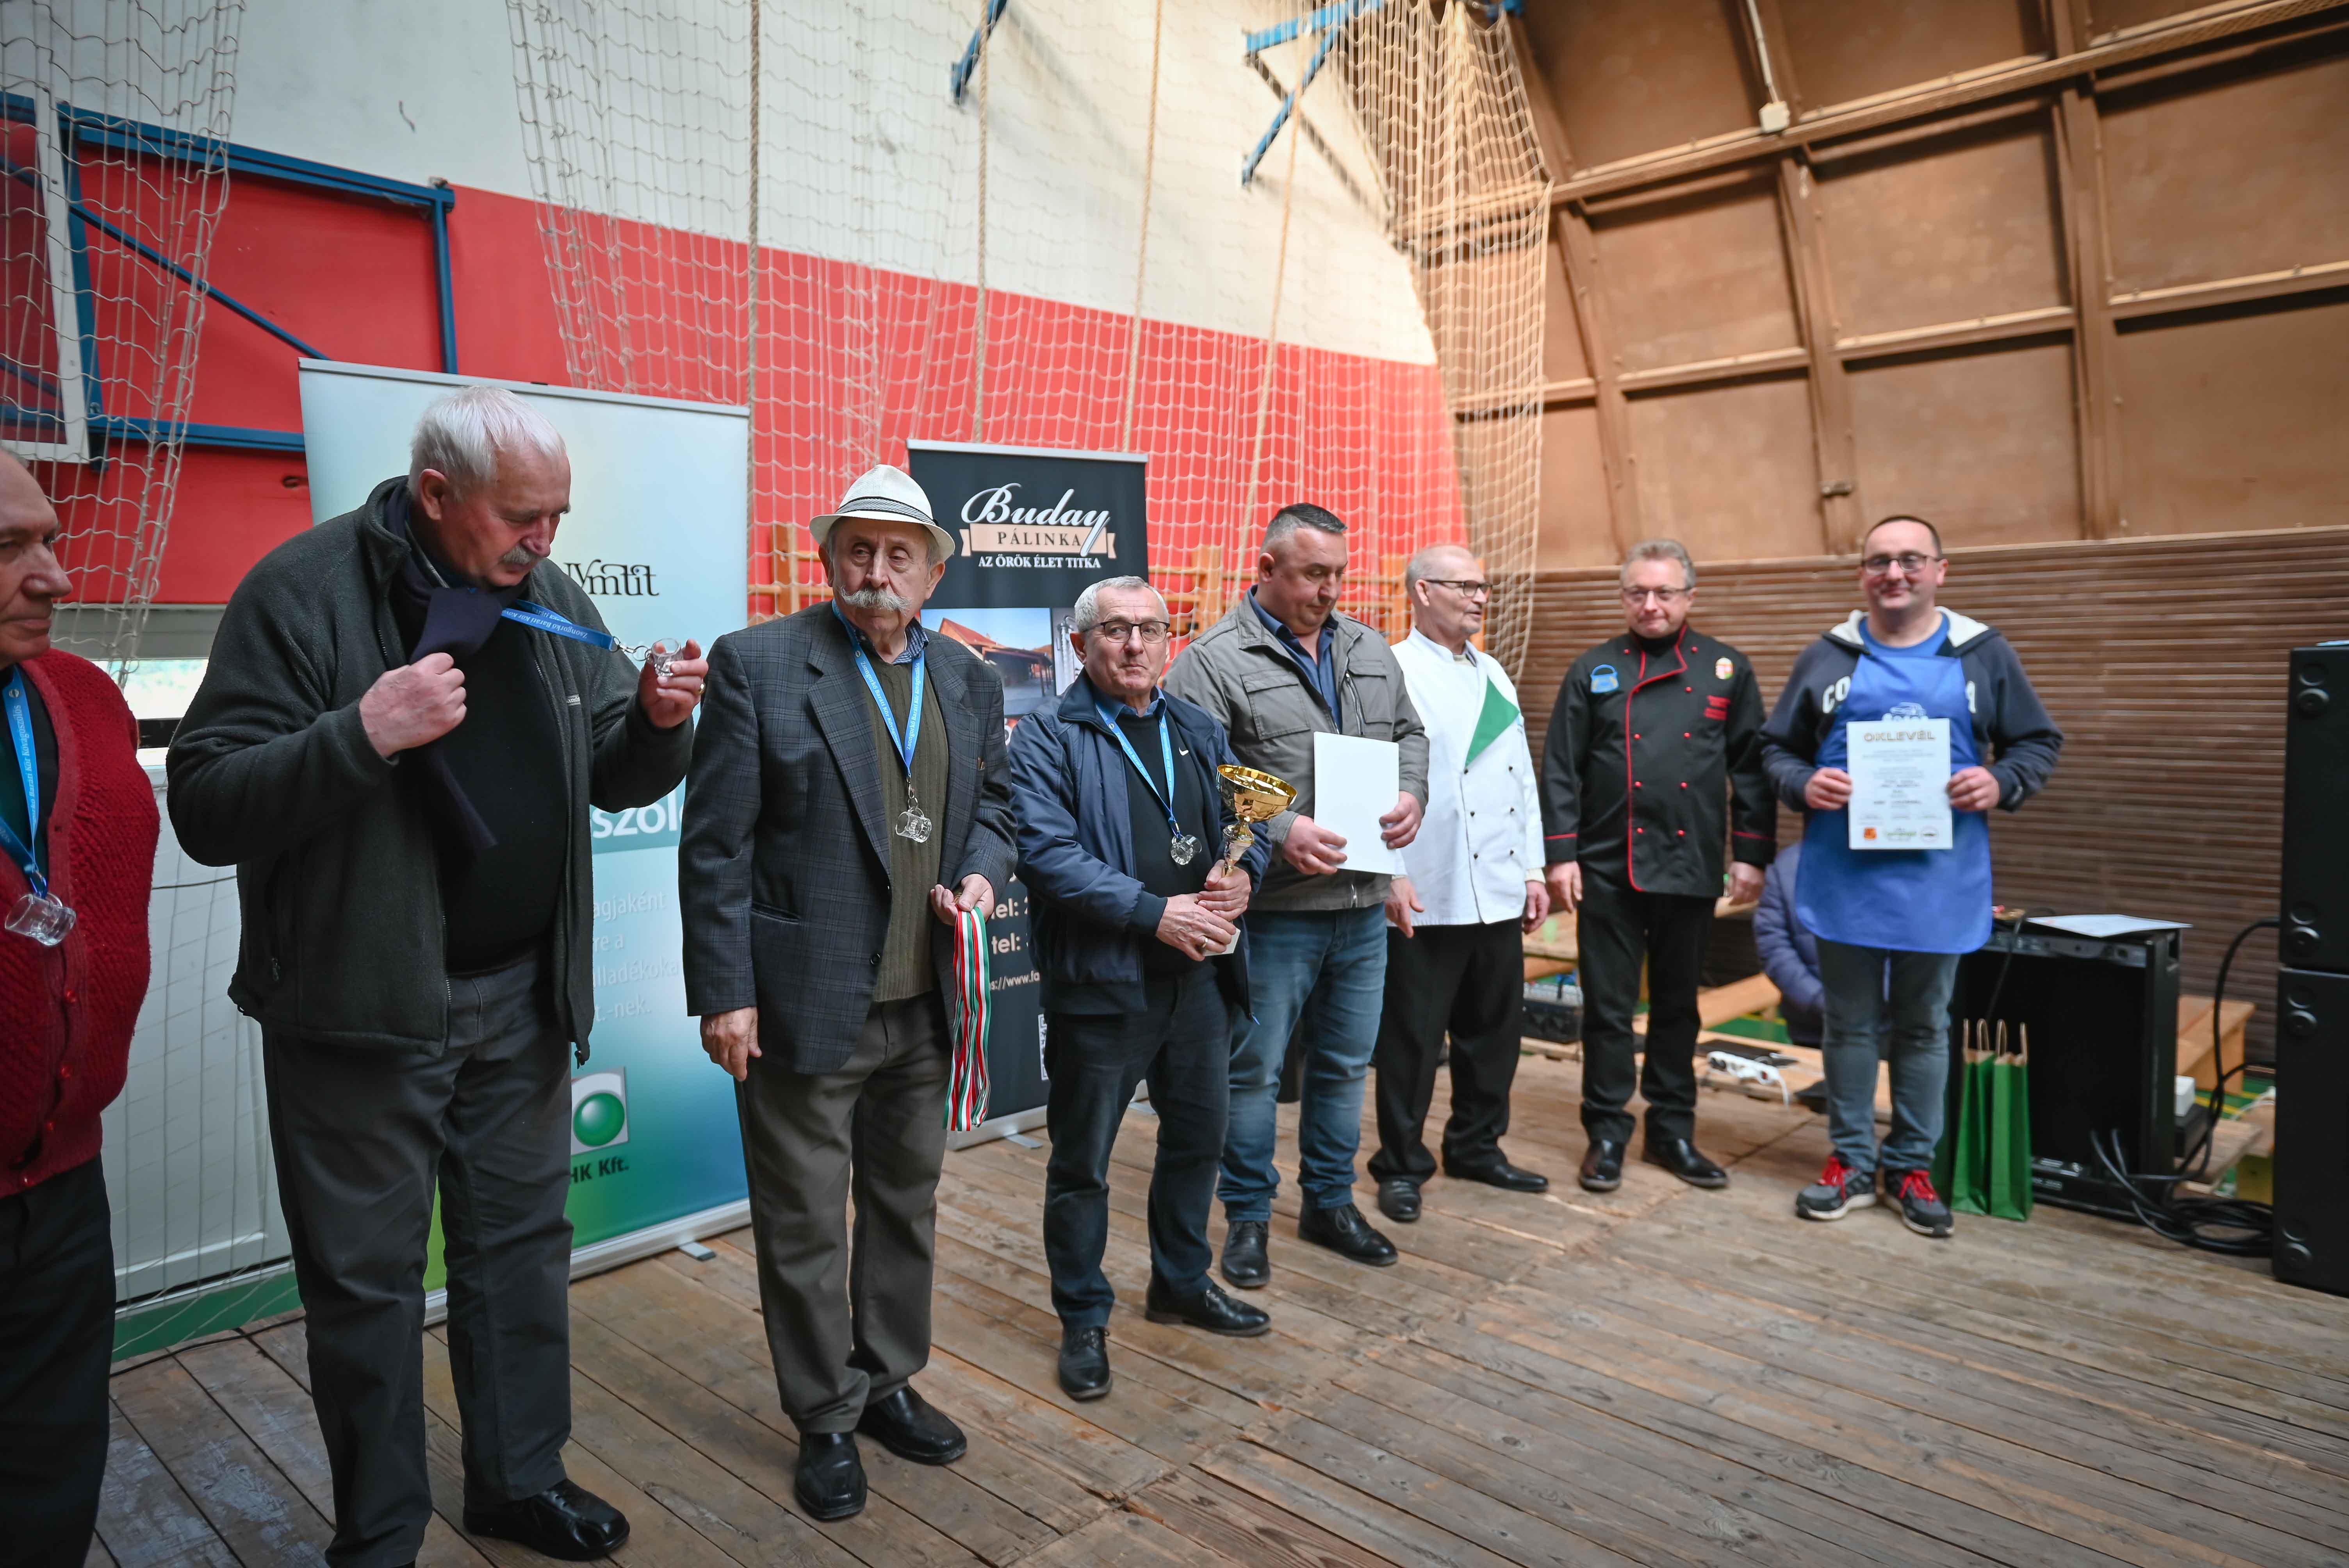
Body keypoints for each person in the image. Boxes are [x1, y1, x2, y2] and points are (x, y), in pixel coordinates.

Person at [169, 387, 704, 1566]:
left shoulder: (549, 597)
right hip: (359, 1017)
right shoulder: (301, 591)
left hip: (521, 998)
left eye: (558, 516)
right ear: (435, 494)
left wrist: (657, 723)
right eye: (522, 516)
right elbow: (204, 801)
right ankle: (380, 1533)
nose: (545, 540)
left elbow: (611, 768)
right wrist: (362, 732)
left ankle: (519, 1481)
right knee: (365, 1289)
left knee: (519, 1255)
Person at [680, 464, 1016, 1522]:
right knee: (805, 1224)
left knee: (906, 1207)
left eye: (898, 554)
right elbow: (716, 846)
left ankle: (887, 1382)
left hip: (927, 1000)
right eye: (858, 551)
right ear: (828, 560)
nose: (878, 571)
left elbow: (997, 808)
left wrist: (982, 875)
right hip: (802, 1000)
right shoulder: (759, 664)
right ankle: (825, 1415)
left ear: (932, 573)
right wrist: (725, 992)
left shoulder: (967, 679)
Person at [1007, 576, 1273, 1403]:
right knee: (1082, 1162)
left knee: (1196, 1142)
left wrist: (1245, 876)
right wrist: (1154, 913)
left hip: (1200, 981)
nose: (1134, 645)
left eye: (1150, 629)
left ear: (1168, 641)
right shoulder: (1046, 735)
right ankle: (1083, 1316)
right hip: (1103, 987)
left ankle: (1180, 1282)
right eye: (1115, 630)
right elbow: (1045, 855)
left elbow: (1249, 824)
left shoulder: (1197, 726)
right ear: (1081, 644)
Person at [1763, 515, 2060, 1238]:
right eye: (1879, 562)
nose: (1894, 574)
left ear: (1940, 570)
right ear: (1862, 573)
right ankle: (1851, 1163)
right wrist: (1805, 784)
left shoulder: (1982, 654)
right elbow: (1774, 751)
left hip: (1939, 880)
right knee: (1849, 1025)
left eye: (1910, 560)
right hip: (1846, 878)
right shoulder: (1827, 656)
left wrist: (2001, 781)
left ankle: (1911, 1167)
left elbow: (2037, 742)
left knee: (1926, 1027)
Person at [1163, 502, 1428, 1288]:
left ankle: (1329, 1204)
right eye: (1314, 574)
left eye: (1338, 573)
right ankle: (1247, 1216)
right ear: (1267, 569)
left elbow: (1409, 735)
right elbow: (1195, 772)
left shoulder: (1368, 647)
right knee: (1254, 1073)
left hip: (1361, 906)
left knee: (1345, 1065)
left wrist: (1411, 793)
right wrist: (1281, 828)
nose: (1329, 589)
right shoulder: (1211, 660)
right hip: (1274, 913)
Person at [0, 453, 160, 1568]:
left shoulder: (87, 699)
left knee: (52, 1476)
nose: (54, 575)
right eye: (8, 549)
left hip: (62, 1186)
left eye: (49, 539)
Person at [1540, 539, 1773, 1195]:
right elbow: (1560, 768)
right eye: (1637, 592)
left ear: (1689, 597)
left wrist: (1751, 854)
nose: (1650, 604)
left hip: (1691, 862)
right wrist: (1560, 856)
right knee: (1607, 1010)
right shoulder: (1593, 668)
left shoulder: (1727, 668)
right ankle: (1606, 1134)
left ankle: (1672, 1132)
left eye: (1664, 592)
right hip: (1607, 866)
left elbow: (1751, 769)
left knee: (1677, 1007)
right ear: (1623, 598)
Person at [1370, 545, 1551, 1224]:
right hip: (1429, 884)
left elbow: (1521, 781)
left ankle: (1477, 1146)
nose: (1479, 597)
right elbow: (1371, 779)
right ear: (1422, 591)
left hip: (1498, 886)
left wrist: (1532, 868)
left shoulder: (1495, 673)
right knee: (1414, 1042)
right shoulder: (1388, 668)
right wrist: (1389, 875)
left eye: (1483, 587)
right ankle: (1400, 1165)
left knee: (1493, 1034)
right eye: (1464, 586)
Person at [1753, 841, 1823, 1048]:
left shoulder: (1897, 858)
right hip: (1812, 1024)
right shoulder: (1787, 865)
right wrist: (1817, 999)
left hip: (1890, 1025)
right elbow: (1773, 944)